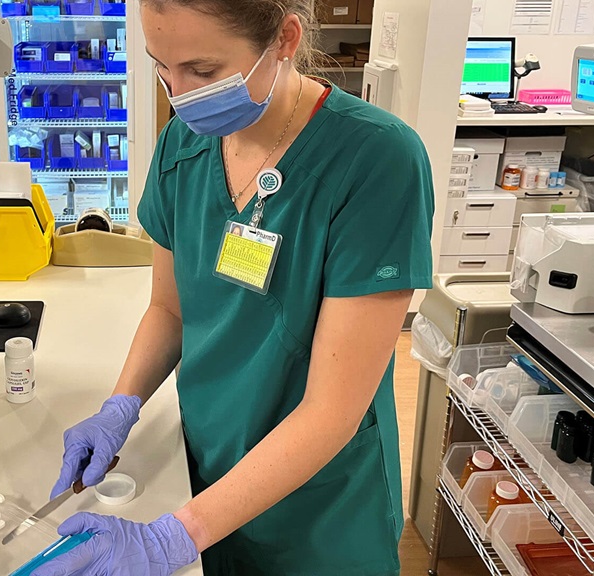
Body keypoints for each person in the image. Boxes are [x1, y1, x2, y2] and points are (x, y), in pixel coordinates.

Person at [34, 0, 435, 574]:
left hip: (319, 509)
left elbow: (331, 412)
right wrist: (120, 405)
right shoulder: (183, 145)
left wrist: (169, 539)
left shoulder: (376, 160)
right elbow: (170, 310)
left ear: (285, 39)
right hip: (209, 468)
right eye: (161, 67)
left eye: (203, 72)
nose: (179, 93)